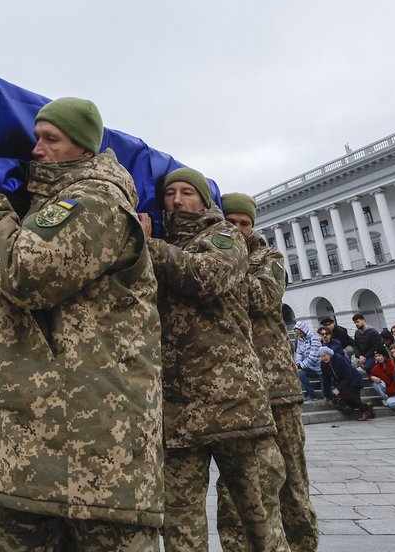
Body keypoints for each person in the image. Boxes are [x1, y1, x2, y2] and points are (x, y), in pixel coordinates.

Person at [0, 97, 163, 549]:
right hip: (35, 447)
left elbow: (28, 275)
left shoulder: (95, 198)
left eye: (51, 139)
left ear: (83, 147)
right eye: (35, 138)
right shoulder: (40, 207)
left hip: (90, 452)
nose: (36, 149)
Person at [136, 173, 287, 552]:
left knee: (257, 514)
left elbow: (204, 276)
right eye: (169, 193)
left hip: (234, 403)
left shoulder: (224, 237)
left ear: (204, 200)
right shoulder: (157, 247)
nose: (177, 200)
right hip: (177, 408)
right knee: (179, 520)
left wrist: (147, 243)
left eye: (187, 192)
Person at [215, 191, 317, 552]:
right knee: (236, 487)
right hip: (237, 391)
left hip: (278, 390)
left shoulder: (268, 257)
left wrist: (222, 263)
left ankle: (303, 545)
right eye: (231, 222)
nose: (238, 229)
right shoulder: (211, 251)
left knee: (291, 479)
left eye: (244, 223)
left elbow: (262, 298)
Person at [319, 347, 373, 420]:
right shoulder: (323, 364)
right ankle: (366, 406)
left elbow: (349, 376)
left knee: (350, 395)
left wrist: (338, 389)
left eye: (325, 356)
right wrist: (326, 395)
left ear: (330, 355)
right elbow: (326, 380)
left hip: (354, 379)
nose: (323, 358)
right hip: (342, 381)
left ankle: (364, 412)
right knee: (349, 402)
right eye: (321, 356)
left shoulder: (339, 359)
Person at [293, 321, 322, 400]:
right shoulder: (299, 339)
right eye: (297, 334)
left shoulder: (314, 339)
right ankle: (311, 394)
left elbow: (313, 357)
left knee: (325, 393)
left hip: (319, 368)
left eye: (300, 333)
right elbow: (299, 353)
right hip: (308, 367)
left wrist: (301, 365)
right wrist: (298, 363)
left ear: (304, 330)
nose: (299, 335)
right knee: (300, 374)